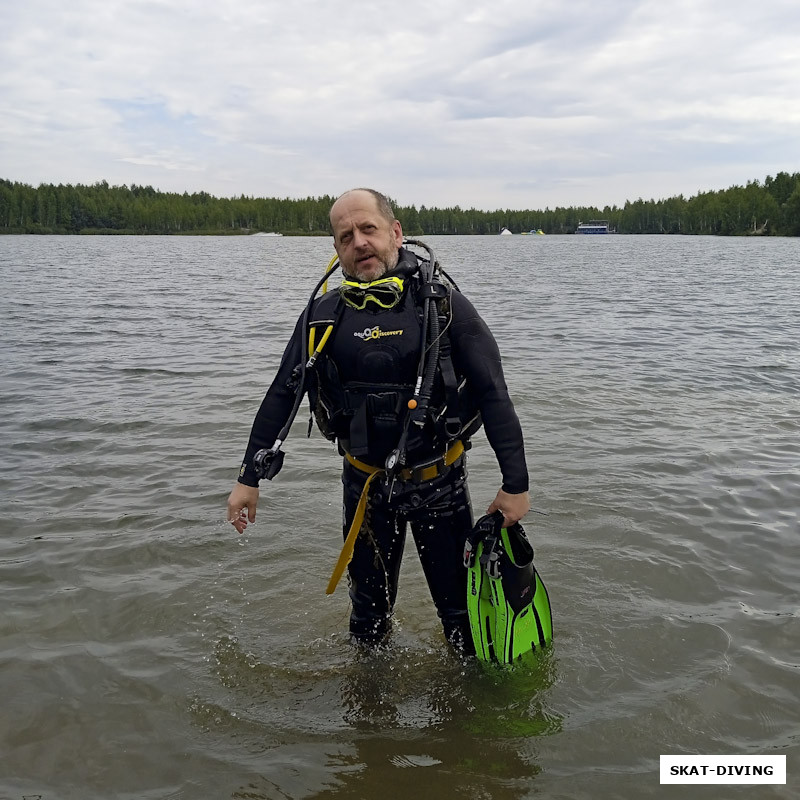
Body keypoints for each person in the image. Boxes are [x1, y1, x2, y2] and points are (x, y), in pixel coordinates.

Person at [227, 188, 530, 652]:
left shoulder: (442, 306)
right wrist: (249, 477)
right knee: (367, 619)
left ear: (395, 233)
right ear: (336, 249)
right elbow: (283, 393)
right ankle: (368, 714)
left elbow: (493, 393)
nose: (359, 242)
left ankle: (463, 718)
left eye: (368, 229)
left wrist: (515, 485)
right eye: (345, 236)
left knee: (459, 619)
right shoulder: (322, 317)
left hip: (439, 483)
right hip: (366, 486)